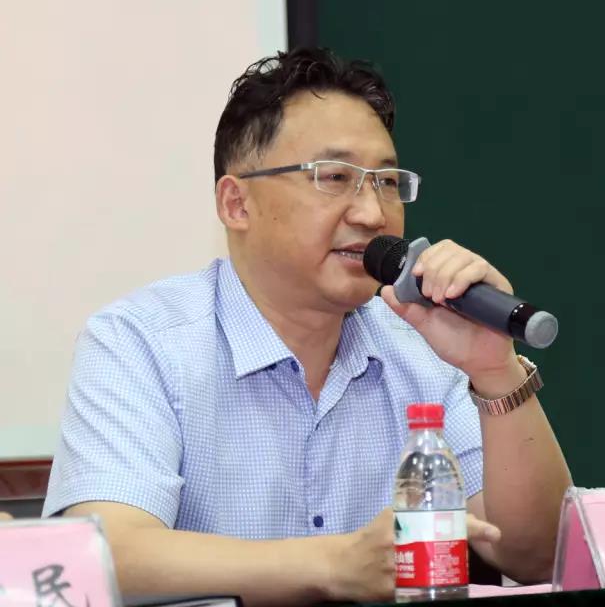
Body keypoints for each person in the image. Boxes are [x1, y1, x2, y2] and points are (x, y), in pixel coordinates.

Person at [43, 48, 571, 605]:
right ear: (236, 204)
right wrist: (333, 564)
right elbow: (109, 554)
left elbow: (538, 555)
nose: (372, 214)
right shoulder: (139, 342)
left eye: (386, 182)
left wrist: (494, 368)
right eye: (335, 177)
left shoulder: (424, 345)